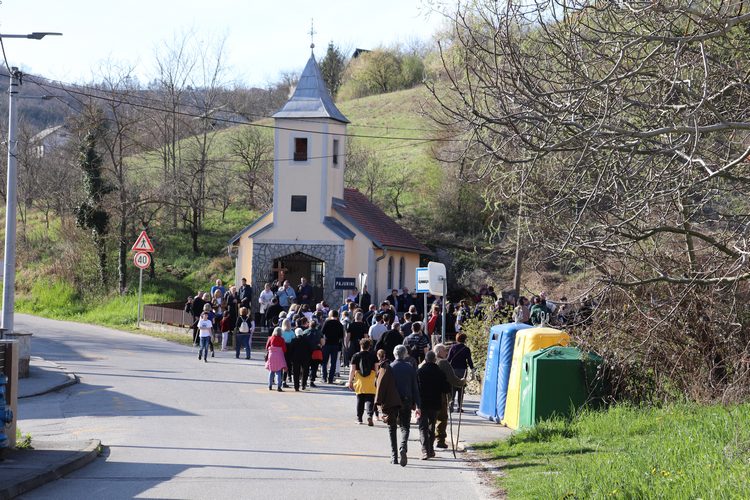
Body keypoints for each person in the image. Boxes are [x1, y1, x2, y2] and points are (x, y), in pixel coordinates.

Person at [376, 345, 420, 467]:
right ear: (405, 354)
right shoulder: (410, 368)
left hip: (392, 401)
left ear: (394, 354)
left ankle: (394, 456)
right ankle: (403, 447)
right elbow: (415, 387)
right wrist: (418, 405)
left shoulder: (389, 367)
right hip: (407, 400)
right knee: (405, 427)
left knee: (392, 427)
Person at [417, 350, 450, 460]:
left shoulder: (420, 372)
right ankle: (430, 449)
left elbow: (416, 388)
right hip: (435, 403)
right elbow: (446, 389)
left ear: (425, 360)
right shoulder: (440, 372)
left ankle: (425, 450)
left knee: (423, 427)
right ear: (435, 360)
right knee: (432, 426)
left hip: (422, 403)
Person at [434, 343, 466, 449]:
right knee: (442, 418)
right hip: (440, 395)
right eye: (444, 351)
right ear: (439, 352)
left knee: (430, 419)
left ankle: (428, 441)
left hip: (426, 395)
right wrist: (462, 382)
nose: (446, 353)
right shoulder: (443, 363)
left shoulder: (427, 361)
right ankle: (440, 440)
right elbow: (452, 378)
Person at [348, 338, 378, 426]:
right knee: (370, 399)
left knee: (360, 399)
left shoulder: (355, 356)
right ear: (369, 346)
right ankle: (369, 415)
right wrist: (377, 379)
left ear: (361, 345)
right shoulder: (373, 355)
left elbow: (352, 370)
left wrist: (350, 381)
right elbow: (376, 369)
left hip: (359, 379)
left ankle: (359, 418)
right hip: (371, 379)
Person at [447, 333, 475, 412]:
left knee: (452, 388)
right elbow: (469, 361)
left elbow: (448, 359)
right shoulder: (466, 349)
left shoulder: (453, 348)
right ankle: (459, 407)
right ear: (465, 340)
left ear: (457, 339)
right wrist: (472, 370)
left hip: (453, 370)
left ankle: (451, 406)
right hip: (463, 370)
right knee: (461, 389)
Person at [321, 309, 344, 383]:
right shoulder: (339, 324)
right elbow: (341, 336)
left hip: (327, 344)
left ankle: (324, 377)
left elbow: (322, 333)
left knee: (324, 362)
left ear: (330, 315)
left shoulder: (327, 322)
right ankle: (330, 379)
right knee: (333, 362)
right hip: (335, 344)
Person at [289, 326, 312, 391]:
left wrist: (291, 358)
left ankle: (296, 386)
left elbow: (291, 350)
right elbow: (310, 349)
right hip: (305, 358)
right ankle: (303, 385)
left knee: (296, 372)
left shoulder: (293, 340)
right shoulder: (306, 340)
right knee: (305, 372)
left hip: (295, 358)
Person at [265, 327, 287, 392]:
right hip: (279, 356)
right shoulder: (282, 339)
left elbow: (267, 347)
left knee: (271, 371)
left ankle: (270, 385)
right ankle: (279, 386)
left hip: (271, 356)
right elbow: (284, 349)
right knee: (278, 371)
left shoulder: (270, 338)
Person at [304, 319, 323, 388]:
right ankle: (312, 381)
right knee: (314, 367)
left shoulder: (305, 332)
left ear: (309, 325)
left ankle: (304, 381)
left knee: (306, 367)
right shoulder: (319, 332)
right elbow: (323, 342)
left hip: (307, 352)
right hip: (316, 351)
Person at [280, 318, 296, 388]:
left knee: (281, 365)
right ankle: (284, 380)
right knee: (286, 365)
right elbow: (294, 340)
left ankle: (280, 379)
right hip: (289, 349)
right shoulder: (292, 332)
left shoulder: (281, 331)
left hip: (282, 349)